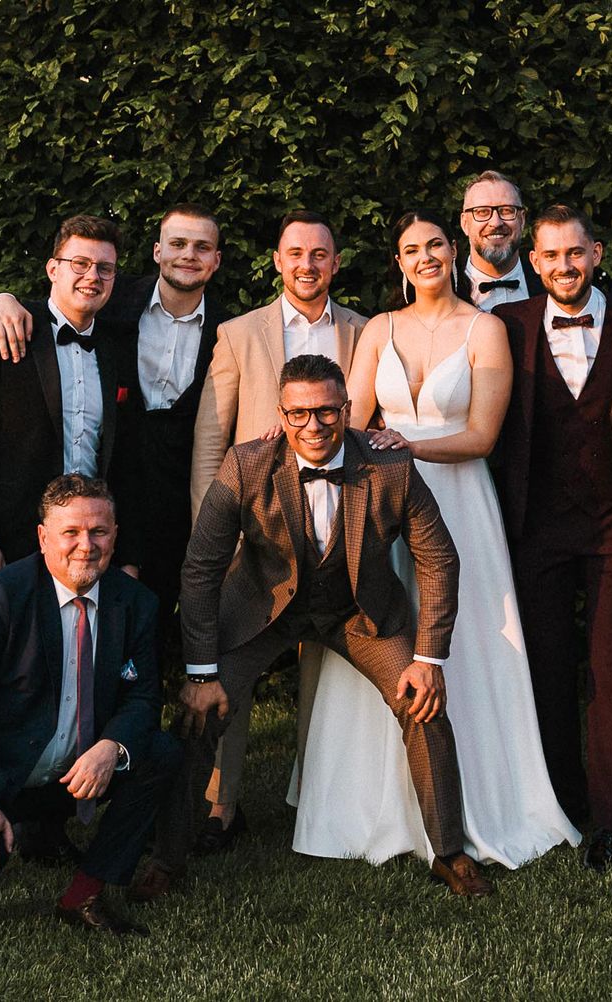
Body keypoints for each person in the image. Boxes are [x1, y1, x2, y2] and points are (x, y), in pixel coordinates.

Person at [138, 353, 494, 898]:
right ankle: (167, 858)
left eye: (327, 411)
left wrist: (428, 659)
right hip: (262, 611)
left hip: (358, 613)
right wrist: (201, 672)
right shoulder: (246, 465)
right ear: (281, 415)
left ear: (347, 410)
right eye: (299, 413)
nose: (314, 425)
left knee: (422, 702)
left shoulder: (390, 466)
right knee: (200, 710)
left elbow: (439, 558)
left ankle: (449, 853)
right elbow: (202, 568)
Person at [291, 210, 578, 865]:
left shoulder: (486, 329)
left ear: (453, 250)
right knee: (384, 626)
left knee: (468, 637)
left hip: (461, 500)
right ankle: (371, 807)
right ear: (398, 262)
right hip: (384, 503)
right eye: (411, 249)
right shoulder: (380, 329)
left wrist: (408, 446)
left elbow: (482, 435)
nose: (425, 257)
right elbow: (350, 420)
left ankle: (481, 798)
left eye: (435, 245)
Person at [0, 475, 175, 944]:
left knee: (159, 752)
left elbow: (143, 696)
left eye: (99, 531)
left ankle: (84, 894)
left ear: (115, 535)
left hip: (75, 768)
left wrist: (112, 747)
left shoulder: (135, 602)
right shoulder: (5, 594)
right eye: (70, 532)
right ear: (42, 537)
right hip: (1, 765)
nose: (86, 546)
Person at [0, 204, 232, 675]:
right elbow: (59, 302)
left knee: (145, 625)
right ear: (157, 251)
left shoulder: (228, 330)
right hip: (106, 490)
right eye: (178, 244)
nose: (188, 255)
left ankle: (137, 711)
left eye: (202, 247)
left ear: (216, 260)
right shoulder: (112, 299)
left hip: (175, 498)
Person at [187, 210, 370, 853]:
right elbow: (211, 441)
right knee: (230, 672)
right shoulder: (240, 334)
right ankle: (220, 805)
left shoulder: (365, 331)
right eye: (295, 253)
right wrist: (216, 531)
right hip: (257, 539)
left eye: (319, 254)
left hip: (336, 535)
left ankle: (317, 796)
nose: (307, 265)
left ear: (335, 263)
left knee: (326, 681)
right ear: (277, 260)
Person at [492, 205, 612, 872]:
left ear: (596, 254)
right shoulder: (507, 324)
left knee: (610, 667)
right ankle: (562, 799)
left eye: (575, 253)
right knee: (548, 668)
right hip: (539, 525)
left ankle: (609, 820)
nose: (564, 266)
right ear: (534, 262)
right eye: (551, 255)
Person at [0, 214, 133, 589]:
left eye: (104, 268)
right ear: (52, 269)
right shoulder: (5, 330)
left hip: (89, 548)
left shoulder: (117, 348)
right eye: (80, 263)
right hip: (8, 545)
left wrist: (127, 554)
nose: (92, 276)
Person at [454, 170, 544, 310]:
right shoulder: (447, 289)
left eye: (506, 210)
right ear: (465, 223)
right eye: (482, 212)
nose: (496, 223)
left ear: (522, 220)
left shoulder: (549, 285)